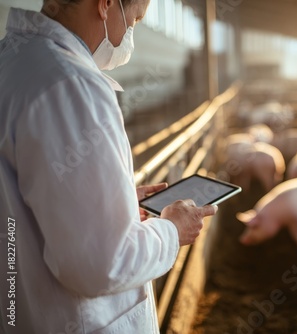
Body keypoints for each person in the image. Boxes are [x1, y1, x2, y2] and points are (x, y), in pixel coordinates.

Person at [0, 0, 217, 333]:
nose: (131, 32)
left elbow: (33, 195)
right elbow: (102, 263)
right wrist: (172, 230)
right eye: (135, 19)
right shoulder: (72, 84)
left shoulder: (11, 60)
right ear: (105, 5)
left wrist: (113, 200)